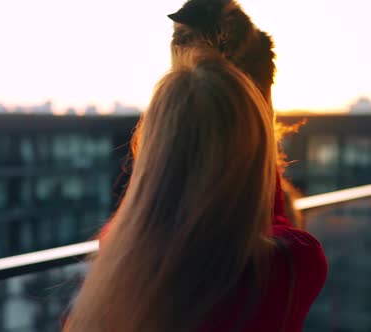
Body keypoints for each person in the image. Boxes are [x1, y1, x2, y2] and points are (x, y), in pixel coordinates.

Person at [62, 49, 327, 332]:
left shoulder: (119, 250)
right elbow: (272, 219)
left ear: (154, 153)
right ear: (255, 154)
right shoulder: (292, 262)